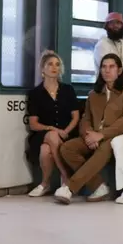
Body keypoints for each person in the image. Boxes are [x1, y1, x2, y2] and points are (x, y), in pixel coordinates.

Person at [55, 54, 123, 204]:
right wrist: (89, 135)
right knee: (67, 148)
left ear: (119, 71)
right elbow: (85, 118)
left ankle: (69, 188)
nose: (107, 70)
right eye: (104, 67)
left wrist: (100, 135)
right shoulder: (93, 94)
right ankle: (99, 186)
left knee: (106, 146)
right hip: (92, 135)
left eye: (111, 67)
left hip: (115, 137)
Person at [26, 51, 80, 197]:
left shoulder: (68, 90)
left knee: (45, 150)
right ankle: (66, 178)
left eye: (57, 64)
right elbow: (33, 124)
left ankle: (45, 184)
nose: (54, 67)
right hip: (43, 134)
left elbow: (75, 116)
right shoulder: (35, 93)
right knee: (51, 136)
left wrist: (66, 130)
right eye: (50, 64)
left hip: (67, 133)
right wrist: (52, 128)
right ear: (42, 69)